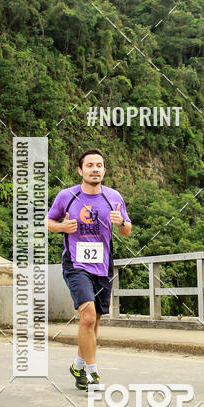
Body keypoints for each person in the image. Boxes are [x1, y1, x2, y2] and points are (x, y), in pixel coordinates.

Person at [45, 150, 131, 390]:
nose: (95, 169)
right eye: (90, 165)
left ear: (104, 170)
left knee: (94, 321)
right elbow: (49, 222)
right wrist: (62, 227)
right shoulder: (67, 196)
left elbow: (127, 230)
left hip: (103, 265)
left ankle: (78, 365)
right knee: (88, 316)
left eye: (99, 165)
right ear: (80, 170)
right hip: (76, 264)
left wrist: (121, 223)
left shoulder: (113, 197)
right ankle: (92, 373)